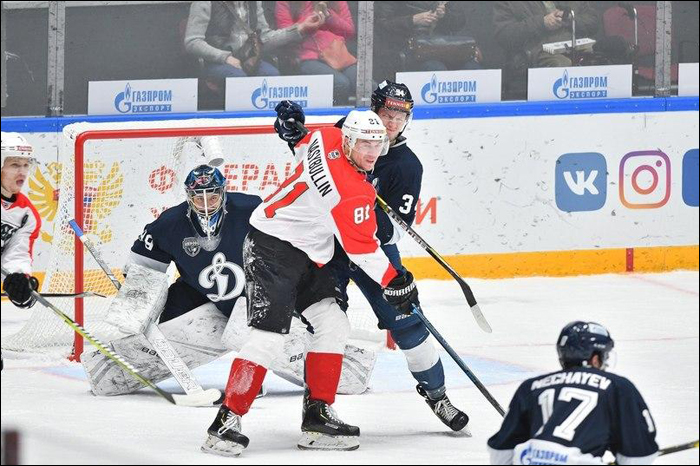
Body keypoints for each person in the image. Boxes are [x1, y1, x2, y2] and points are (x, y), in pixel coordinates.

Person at [202, 111, 421, 456]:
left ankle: (317, 415)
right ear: (348, 141)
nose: (372, 152)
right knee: (268, 337)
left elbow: (306, 144)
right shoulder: (350, 192)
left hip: (305, 251)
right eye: (364, 143)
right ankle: (226, 421)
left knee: (333, 323)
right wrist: (398, 281)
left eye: (377, 144)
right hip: (270, 248)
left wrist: (295, 133)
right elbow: (362, 250)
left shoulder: (326, 137)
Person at [82, 163, 378, 399]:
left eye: (212, 194)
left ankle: (267, 373)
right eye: (198, 196)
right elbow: (143, 267)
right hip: (199, 295)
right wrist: (136, 300)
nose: (206, 202)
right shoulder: (168, 224)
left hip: (254, 292)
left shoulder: (251, 208)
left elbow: (288, 244)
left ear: (223, 191)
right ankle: (108, 368)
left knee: (254, 332)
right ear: (188, 195)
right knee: (161, 332)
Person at [274, 81, 470, 433]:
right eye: (387, 112)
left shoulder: (407, 167)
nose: (392, 122)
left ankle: (437, 395)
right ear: (374, 109)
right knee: (325, 322)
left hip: (372, 248)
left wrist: (361, 210)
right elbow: (316, 167)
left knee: (408, 323)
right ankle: (317, 408)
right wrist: (294, 137)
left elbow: (394, 231)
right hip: (328, 246)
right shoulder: (351, 128)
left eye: (401, 115)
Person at [488, 321, 659, 465]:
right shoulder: (617, 387)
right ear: (595, 358)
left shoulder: (531, 387)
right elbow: (639, 456)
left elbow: (501, 454)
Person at [184, 1, 323, 84]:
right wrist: (225, 57)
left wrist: (300, 29)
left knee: (272, 76)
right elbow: (192, 42)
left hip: (249, 59)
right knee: (240, 80)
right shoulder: (205, 2)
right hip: (216, 61)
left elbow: (265, 38)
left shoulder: (253, 3)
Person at [1, 132, 42, 371]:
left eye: (26, 165)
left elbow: (16, 254)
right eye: (14, 164)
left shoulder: (25, 214)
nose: (22, 172)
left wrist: (18, 280)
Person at [275, 1, 357, 105]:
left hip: (338, 55)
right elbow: (284, 33)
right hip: (307, 57)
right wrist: (309, 20)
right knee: (340, 83)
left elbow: (349, 31)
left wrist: (329, 16)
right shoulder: (285, 2)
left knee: (366, 85)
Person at [374, 2, 481, 81]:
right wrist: (412, 20)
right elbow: (381, 25)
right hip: (408, 46)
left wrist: (445, 15)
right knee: (435, 68)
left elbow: (459, 22)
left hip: (443, 45)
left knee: (472, 67)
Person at [493, 2, 599, 69]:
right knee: (561, 64)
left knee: (601, 60)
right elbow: (504, 35)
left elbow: (594, 22)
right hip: (535, 52)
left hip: (575, 48)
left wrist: (571, 19)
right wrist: (542, 23)